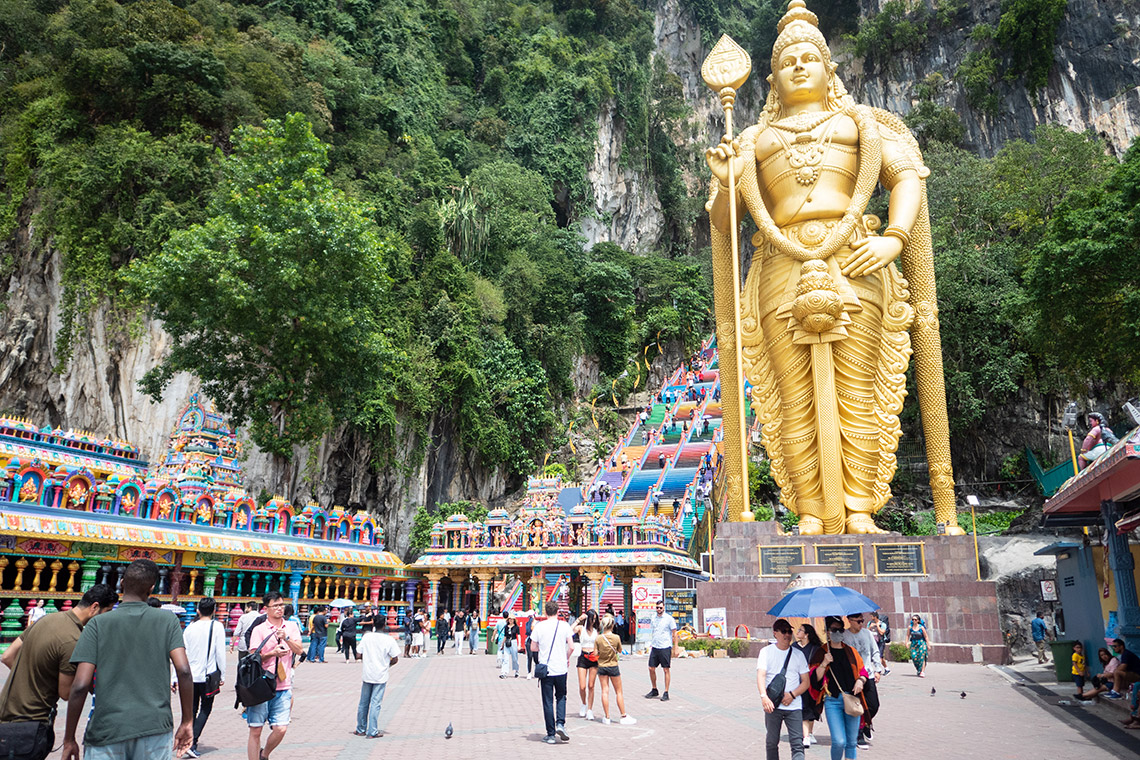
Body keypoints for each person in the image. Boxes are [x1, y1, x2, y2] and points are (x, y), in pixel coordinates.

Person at [704, 0, 957, 535]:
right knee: (792, 396)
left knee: (858, 390)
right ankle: (812, 512)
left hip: (857, 261)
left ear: (828, 70)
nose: (798, 65)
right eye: (787, 60)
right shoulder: (751, 142)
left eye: (808, 57)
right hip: (779, 268)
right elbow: (726, 226)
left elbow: (906, 178)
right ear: (772, 78)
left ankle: (861, 508)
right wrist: (727, 181)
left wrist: (894, 236)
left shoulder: (859, 124)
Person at [62, 560, 194, 760]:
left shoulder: (98, 623)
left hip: (107, 728)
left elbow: (80, 685)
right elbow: (183, 670)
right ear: (152, 588)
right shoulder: (168, 621)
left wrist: (69, 738)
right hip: (154, 728)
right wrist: (187, 721)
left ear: (122, 583)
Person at [0, 584, 116, 730]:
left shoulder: (46, 619)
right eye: (108, 611)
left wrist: (32, 676)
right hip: (33, 720)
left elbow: (7, 656)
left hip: (6, 710)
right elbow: (66, 693)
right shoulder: (73, 640)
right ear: (94, 607)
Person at [246, 592, 305, 760]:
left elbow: (300, 650)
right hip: (261, 686)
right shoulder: (259, 629)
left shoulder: (291, 627)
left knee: (281, 728)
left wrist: (285, 638)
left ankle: (264, 754)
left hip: (283, 685)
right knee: (255, 729)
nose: (280, 608)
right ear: (266, 609)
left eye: (281, 605)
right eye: (275, 605)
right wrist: (272, 653)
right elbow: (254, 657)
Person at [809, 616, 869, 760]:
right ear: (827, 632)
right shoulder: (822, 652)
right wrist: (824, 663)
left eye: (840, 629)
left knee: (851, 742)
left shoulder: (851, 651)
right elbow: (814, 679)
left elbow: (863, 671)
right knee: (839, 741)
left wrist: (861, 680)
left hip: (852, 698)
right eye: (834, 629)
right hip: (833, 701)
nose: (838, 633)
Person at [758, 619, 810, 760]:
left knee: (797, 744)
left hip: (794, 706)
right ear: (775, 633)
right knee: (771, 742)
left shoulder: (798, 655)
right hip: (773, 704)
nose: (787, 634)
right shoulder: (766, 652)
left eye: (789, 631)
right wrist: (764, 697)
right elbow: (761, 675)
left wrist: (792, 695)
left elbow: (806, 682)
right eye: (783, 631)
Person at [182, 596, 226, 758]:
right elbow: (220, 653)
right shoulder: (217, 627)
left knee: (192, 709)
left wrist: (175, 677)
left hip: (190, 676)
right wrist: (222, 674)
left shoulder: (190, 628)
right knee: (205, 709)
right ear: (214, 611)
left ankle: (187, 740)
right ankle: (192, 742)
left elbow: (182, 652)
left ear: (198, 610)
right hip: (207, 675)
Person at [532, 601, 574, 745]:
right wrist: (566, 658)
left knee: (547, 701)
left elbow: (533, 647)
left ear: (545, 612)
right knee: (561, 696)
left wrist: (541, 654)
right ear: (557, 611)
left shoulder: (539, 626)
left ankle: (550, 734)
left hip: (546, 669)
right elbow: (572, 647)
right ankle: (560, 724)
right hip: (561, 668)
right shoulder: (564, 625)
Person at [842, 612, 883, 748]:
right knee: (855, 707)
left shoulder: (867, 634)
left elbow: (875, 651)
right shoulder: (844, 636)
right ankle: (858, 734)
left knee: (873, 705)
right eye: (858, 621)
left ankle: (866, 724)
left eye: (862, 621)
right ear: (849, 620)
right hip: (851, 677)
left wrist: (878, 669)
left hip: (868, 675)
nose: (861, 624)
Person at [354, 621, 401, 738]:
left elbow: (358, 655)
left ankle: (361, 729)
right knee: (375, 704)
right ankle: (372, 731)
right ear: (384, 625)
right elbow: (395, 659)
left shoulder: (367, 637)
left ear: (374, 624)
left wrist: (369, 659)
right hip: (380, 675)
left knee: (363, 703)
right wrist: (386, 664)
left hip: (368, 673)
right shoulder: (389, 640)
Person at [595, 614, 635, 725]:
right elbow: (620, 650)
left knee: (604, 691)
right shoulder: (616, 637)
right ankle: (623, 715)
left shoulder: (598, 638)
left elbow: (595, 653)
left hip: (602, 666)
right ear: (612, 625)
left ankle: (607, 717)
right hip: (613, 666)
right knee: (618, 692)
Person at [793, 622, 823, 747]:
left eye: (801, 630)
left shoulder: (815, 648)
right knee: (804, 708)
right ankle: (805, 736)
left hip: (813, 682)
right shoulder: (794, 646)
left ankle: (809, 733)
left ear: (806, 634)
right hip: (798, 682)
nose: (798, 632)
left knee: (812, 708)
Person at [645, 600, 678, 701]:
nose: (659, 609)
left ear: (664, 608)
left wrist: (675, 648)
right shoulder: (653, 618)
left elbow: (674, 633)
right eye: (657, 607)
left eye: (660, 607)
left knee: (666, 669)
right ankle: (654, 689)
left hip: (665, 647)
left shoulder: (669, 619)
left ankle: (666, 691)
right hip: (655, 646)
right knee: (651, 668)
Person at [572, 610, 600, 720]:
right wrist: (579, 619)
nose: (594, 621)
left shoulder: (596, 630)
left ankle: (590, 709)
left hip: (593, 657)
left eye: (595, 619)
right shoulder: (581, 629)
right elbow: (570, 631)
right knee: (582, 686)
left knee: (591, 686)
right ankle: (583, 703)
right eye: (592, 618)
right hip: (583, 656)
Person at [500, 613, 520, 679]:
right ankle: (504, 672)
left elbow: (518, 636)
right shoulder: (506, 627)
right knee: (506, 658)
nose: (511, 621)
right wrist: (502, 644)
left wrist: (519, 644)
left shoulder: (516, 627)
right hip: (507, 642)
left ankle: (516, 671)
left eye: (512, 619)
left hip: (513, 642)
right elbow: (505, 636)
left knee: (515, 658)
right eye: (510, 619)